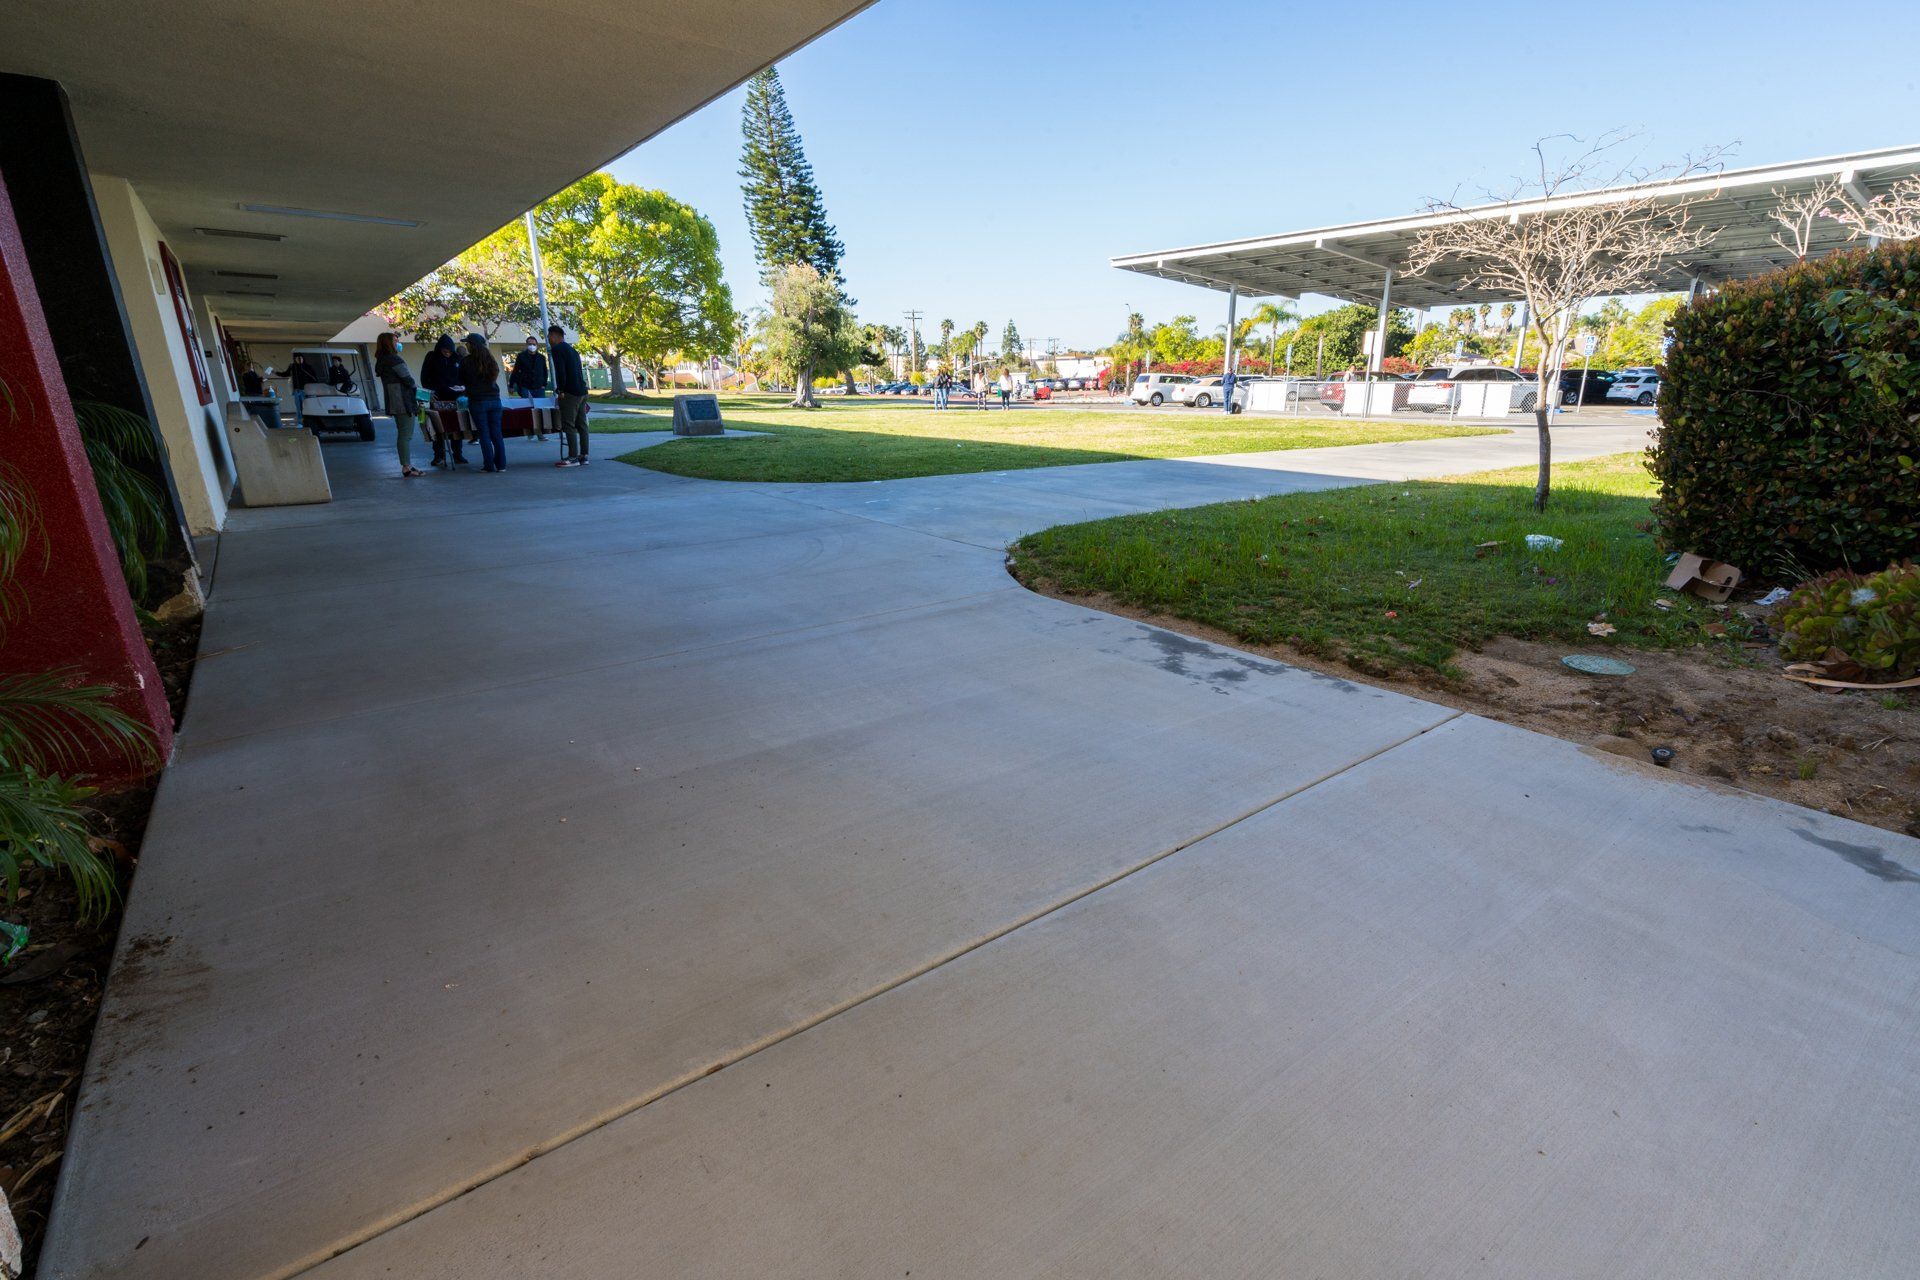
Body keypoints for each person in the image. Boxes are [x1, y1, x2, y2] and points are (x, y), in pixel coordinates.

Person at [375, 333, 425, 478]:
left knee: (402, 433)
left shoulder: (381, 361)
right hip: (403, 400)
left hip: (394, 400)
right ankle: (406, 466)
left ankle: (406, 465)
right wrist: (419, 391)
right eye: (396, 340)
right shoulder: (394, 360)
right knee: (405, 435)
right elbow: (407, 379)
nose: (398, 343)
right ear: (389, 343)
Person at [419, 335, 468, 467]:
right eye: (444, 351)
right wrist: (429, 392)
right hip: (438, 397)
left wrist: (463, 389)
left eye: (449, 351)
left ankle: (457, 454)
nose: (447, 354)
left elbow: (463, 376)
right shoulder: (431, 357)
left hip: (455, 397)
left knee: (457, 425)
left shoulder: (457, 359)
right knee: (437, 426)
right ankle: (438, 455)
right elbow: (425, 377)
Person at [460, 332, 506, 472]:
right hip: (494, 399)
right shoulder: (491, 360)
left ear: (472, 345)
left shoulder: (466, 362)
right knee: (497, 434)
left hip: (477, 400)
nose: (466, 345)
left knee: (484, 434)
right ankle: (501, 464)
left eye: (467, 343)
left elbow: (462, 380)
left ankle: (489, 465)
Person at [548, 324, 591, 467]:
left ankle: (572, 457)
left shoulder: (557, 349)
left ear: (555, 336)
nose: (548, 339)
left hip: (570, 392)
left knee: (569, 424)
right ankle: (584, 455)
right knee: (582, 424)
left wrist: (560, 390)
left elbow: (560, 371)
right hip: (581, 390)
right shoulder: (573, 350)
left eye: (549, 336)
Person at [509, 335, 551, 440]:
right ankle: (529, 431)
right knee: (527, 410)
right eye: (530, 344)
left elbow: (545, 372)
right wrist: (511, 385)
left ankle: (540, 433)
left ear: (537, 345)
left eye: (534, 344)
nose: (532, 346)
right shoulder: (521, 356)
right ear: (526, 345)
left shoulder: (541, 357)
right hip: (525, 387)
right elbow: (515, 371)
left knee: (539, 410)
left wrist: (543, 384)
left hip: (539, 387)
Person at [280, 353, 323, 422]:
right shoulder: (292, 367)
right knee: (298, 407)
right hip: (297, 390)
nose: (299, 360)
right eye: (297, 358)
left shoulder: (308, 367)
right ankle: (300, 421)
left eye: (300, 358)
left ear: (303, 359)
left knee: (308, 406)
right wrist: (275, 372)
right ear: (295, 359)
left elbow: (314, 378)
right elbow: (285, 374)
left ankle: (310, 420)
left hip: (306, 390)